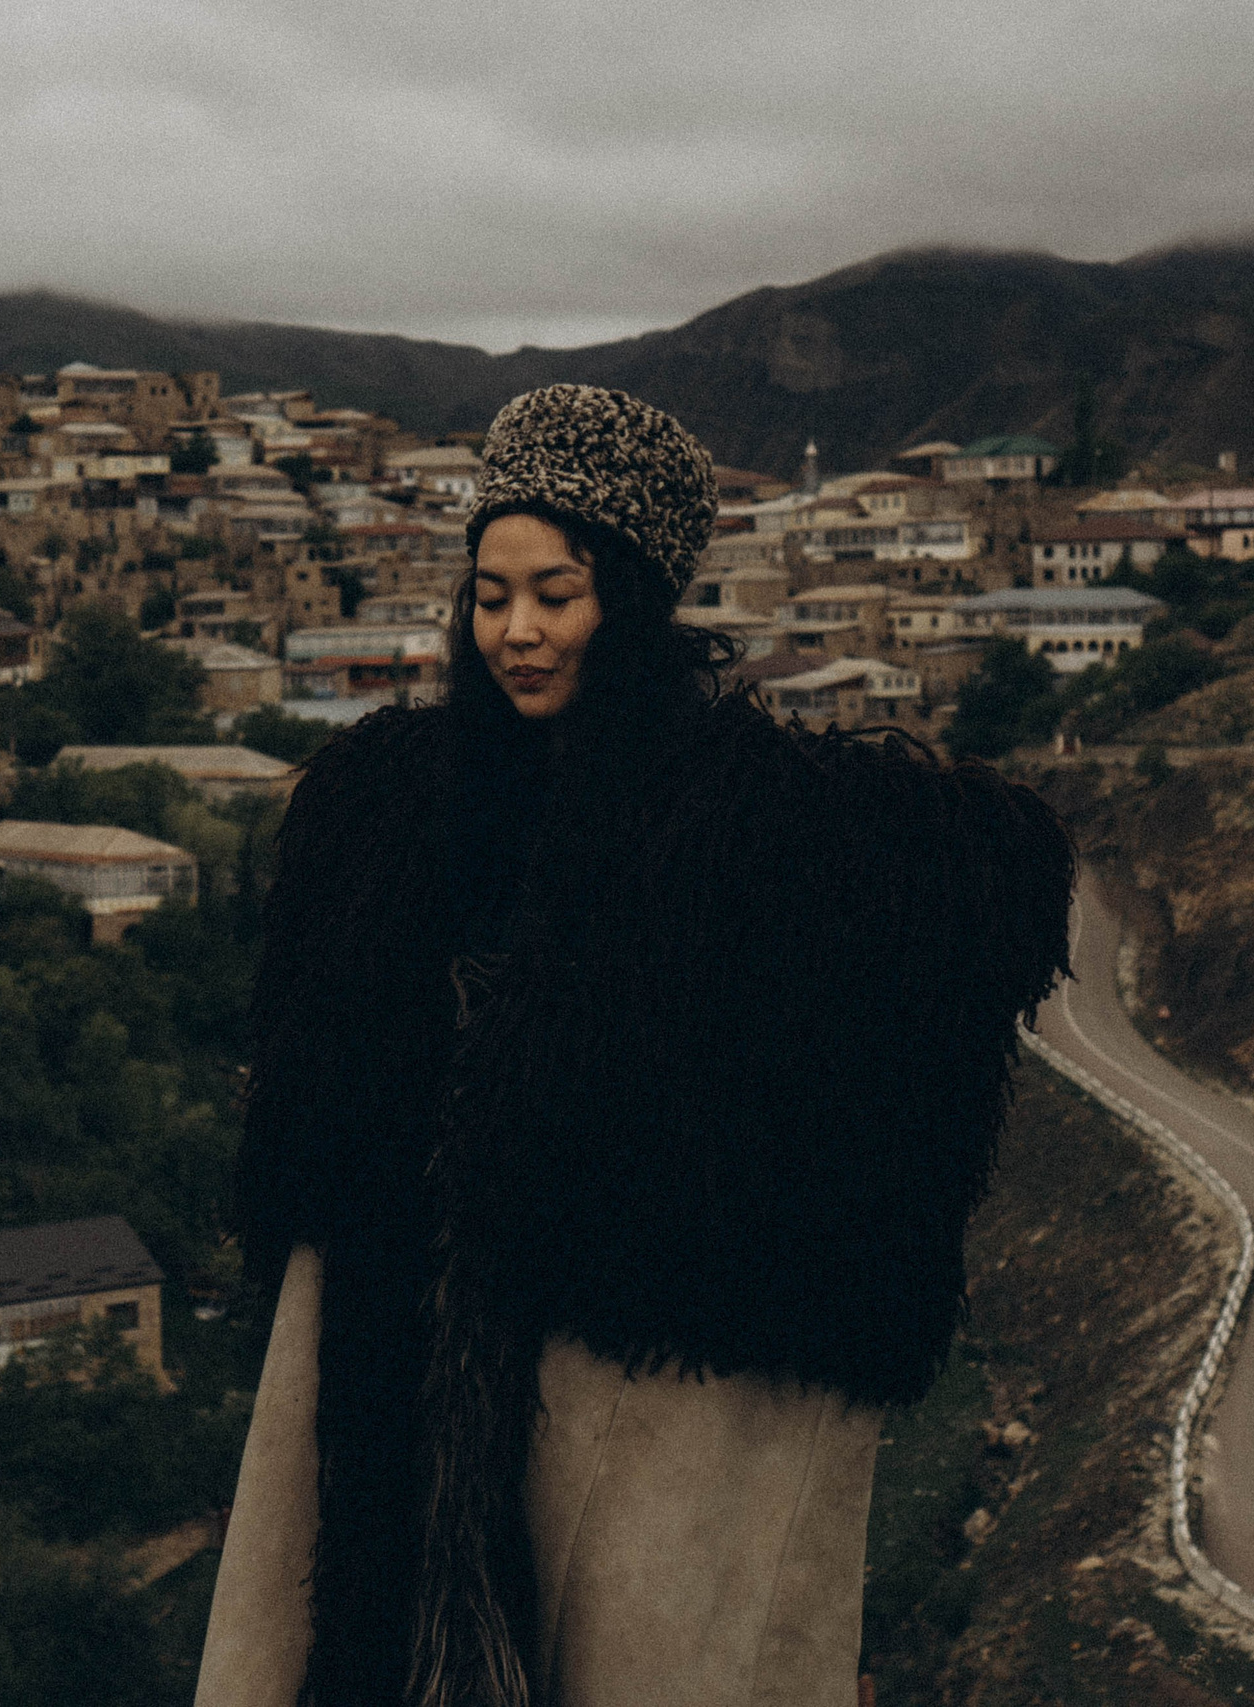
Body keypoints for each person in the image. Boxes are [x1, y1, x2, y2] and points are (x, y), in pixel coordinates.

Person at [197, 385, 1074, 1707]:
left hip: (595, 1362)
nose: (519, 631)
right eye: (492, 595)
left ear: (640, 594)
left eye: (558, 592)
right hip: (390, 1348)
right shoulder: (391, 806)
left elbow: (964, 908)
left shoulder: (737, 822)